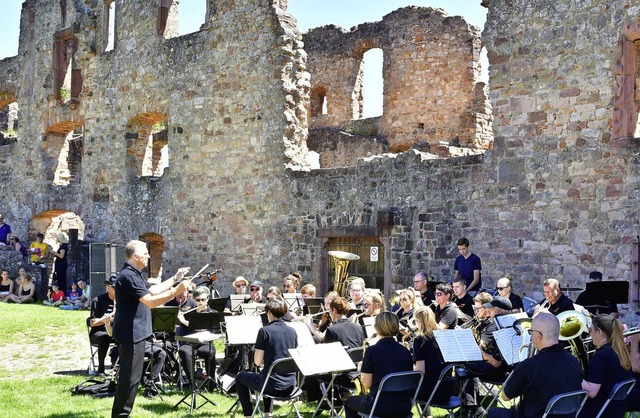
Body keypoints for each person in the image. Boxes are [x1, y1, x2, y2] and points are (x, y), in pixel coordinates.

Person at [111, 239, 191, 418]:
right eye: (145, 253)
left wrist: (175, 278)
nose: (148, 256)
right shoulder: (128, 276)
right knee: (130, 378)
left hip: (136, 332)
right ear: (136, 256)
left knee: (133, 377)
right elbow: (150, 302)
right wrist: (176, 291)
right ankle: (121, 415)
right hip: (130, 333)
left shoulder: (135, 273)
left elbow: (153, 290)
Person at [487, 312, 583, 418]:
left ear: (538, 336)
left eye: (530, 332)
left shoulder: (528, 366)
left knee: (495, 413)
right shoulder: (573, 360)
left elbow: (505, 396)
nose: (531, 336)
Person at [235, 297, 298, 418]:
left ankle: (248, 415)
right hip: (291, 386)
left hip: (271, 386)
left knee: (240, 377)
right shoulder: (293, 331)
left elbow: (257, 362)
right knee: (267, 373)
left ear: (269, 312)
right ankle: (268, 413)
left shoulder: (265, 331)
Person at [344, 312, 413, 418]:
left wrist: (361, 369)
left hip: (378, 406)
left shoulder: (372, 351)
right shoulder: (406, 352)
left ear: (377, 328)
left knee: (349, 402)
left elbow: (366, 384)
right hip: (404, 406)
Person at [305, 296, 365, 402]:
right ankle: (337, 398)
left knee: (310, 373)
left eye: (330, 311)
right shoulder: (358, 327)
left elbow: (326, 355)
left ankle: (321, 402)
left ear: (334, 310)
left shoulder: (332, 330)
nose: (329, 313)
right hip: (357, 374)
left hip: (341, 376)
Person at [462, 295, 513, 418]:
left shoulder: (500, 326)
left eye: (492, 309)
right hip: (498, 366)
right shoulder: (497, 323)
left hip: (501, 370)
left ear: (503, 311)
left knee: (465, 368)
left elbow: (496, 362)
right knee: (464, 367)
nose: (489, 311)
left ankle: (471, 409)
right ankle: (471, 408)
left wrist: (473, 350)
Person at [579, 314, 634, 418]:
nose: (590, 334)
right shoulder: (619, 351)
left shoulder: (601, 357)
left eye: (591, 330)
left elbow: (591, 392)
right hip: (616, 409)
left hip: (599, 411)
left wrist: (573, 375)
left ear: (599, 332)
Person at [413, 306, 451, 418]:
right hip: (447, 391)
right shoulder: (443, 336)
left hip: (431, 393)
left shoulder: (419, 340)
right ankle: (427, 415)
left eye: (415, 320)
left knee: (406, 386)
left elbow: (420, 371)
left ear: (419, 321)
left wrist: (409, 367)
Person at [177, 286, 217, 388]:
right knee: (184, 351)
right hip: (190, 343)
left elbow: (205, 329)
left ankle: (211, 383)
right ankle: (192, 384)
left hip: (205, 343)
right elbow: (180, 329)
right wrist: (179, 319)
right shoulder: (189, 313)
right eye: (198, 300)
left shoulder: (212, 313)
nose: (200, 302)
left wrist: (184, 321)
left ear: (207, 300)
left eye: (203, 300)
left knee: (210, 352)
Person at [89, 276, 116, 375]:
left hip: (116, 331)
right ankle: (101, 369)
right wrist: (106, 320)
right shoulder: (98, 300)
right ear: (108, 288)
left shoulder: (122, 301)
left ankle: (120, 366)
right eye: (114, 287)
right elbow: (92, 322)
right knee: (104, 337)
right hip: (99, 332)